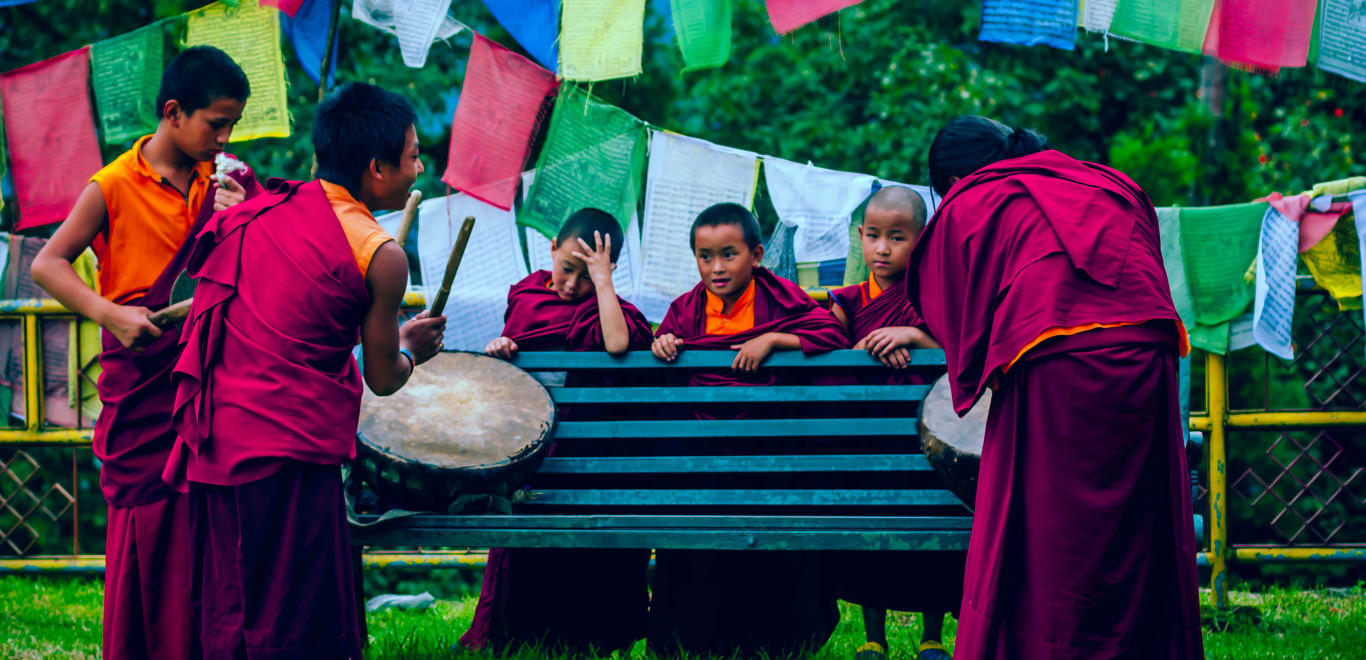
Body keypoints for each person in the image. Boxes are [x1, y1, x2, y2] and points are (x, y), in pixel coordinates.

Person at [162, 82, 446, 659]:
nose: (420, 167)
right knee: (298, 607)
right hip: (291, 447)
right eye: (414, 155)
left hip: (219, 437)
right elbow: (383, 376)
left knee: (232, 600)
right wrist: (415, 349)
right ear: (378, 169)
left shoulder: (258, 212)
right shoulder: (380, 253)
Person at [906, 115, 1203, 658]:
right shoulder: (1110, 180)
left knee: (1048, 526)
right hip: (1150, 354)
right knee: (1138, 517)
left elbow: (943, 295)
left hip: (1056, 358)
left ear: (948, 181)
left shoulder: (975, 196)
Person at [30, 45, 260, 660]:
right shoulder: (112, 185)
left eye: (232, 124)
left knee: (211, 526)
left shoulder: (228, 180)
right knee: (152, 527)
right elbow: (48, 264)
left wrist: (240, 219)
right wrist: (110, 314)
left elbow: (255, 264)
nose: (225, 136)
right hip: (144, 374)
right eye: (217, 123)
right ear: (173, 112)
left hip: (212, 379)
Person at [647, 202, 848, 658]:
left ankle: (778, 637)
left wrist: (775, 340)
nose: (716, 268)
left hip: (769, 456)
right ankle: (695, 637)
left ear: (756, 255)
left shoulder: (781, 298)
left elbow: (832, 336)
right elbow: (665, 364)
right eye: (705, 256)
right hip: (701, 461)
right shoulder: (686, 308)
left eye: (729, 254)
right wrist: (663, 343)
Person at [462, 208, 654, 655]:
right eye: (567, 269)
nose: (571, 285)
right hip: (534, 461)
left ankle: (591, 632)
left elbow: (617, 344)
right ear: (551, 248)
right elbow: (511, 377)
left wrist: (602, 283)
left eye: (586, 277)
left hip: (594, 464)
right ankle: (521, 631)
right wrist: (502, 348)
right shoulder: (527, 298)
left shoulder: (611, 311)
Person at [828, 186, 959, 660]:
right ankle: (873, 636)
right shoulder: (845, 300)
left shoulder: (935, 298)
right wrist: (860, 351)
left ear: (921, 241)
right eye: (874, 236)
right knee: (873, 535)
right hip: (867, 437)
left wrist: (914, 334)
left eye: (897, 238)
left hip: (926, 436)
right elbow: (826, 350)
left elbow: (959, 343)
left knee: (932, 529)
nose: (882, 249)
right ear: (860, 237)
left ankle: (931, 636)